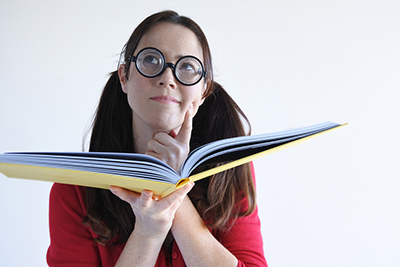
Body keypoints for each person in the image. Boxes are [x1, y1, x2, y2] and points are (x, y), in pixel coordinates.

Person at [47, 10, 268, 267]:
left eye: (187, 67)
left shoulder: (229, 171)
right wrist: (148, 232)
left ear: (204, 90)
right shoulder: (74, 191)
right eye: (151, 60)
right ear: (124, 76)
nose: (167, 78)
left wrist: (172, 187)